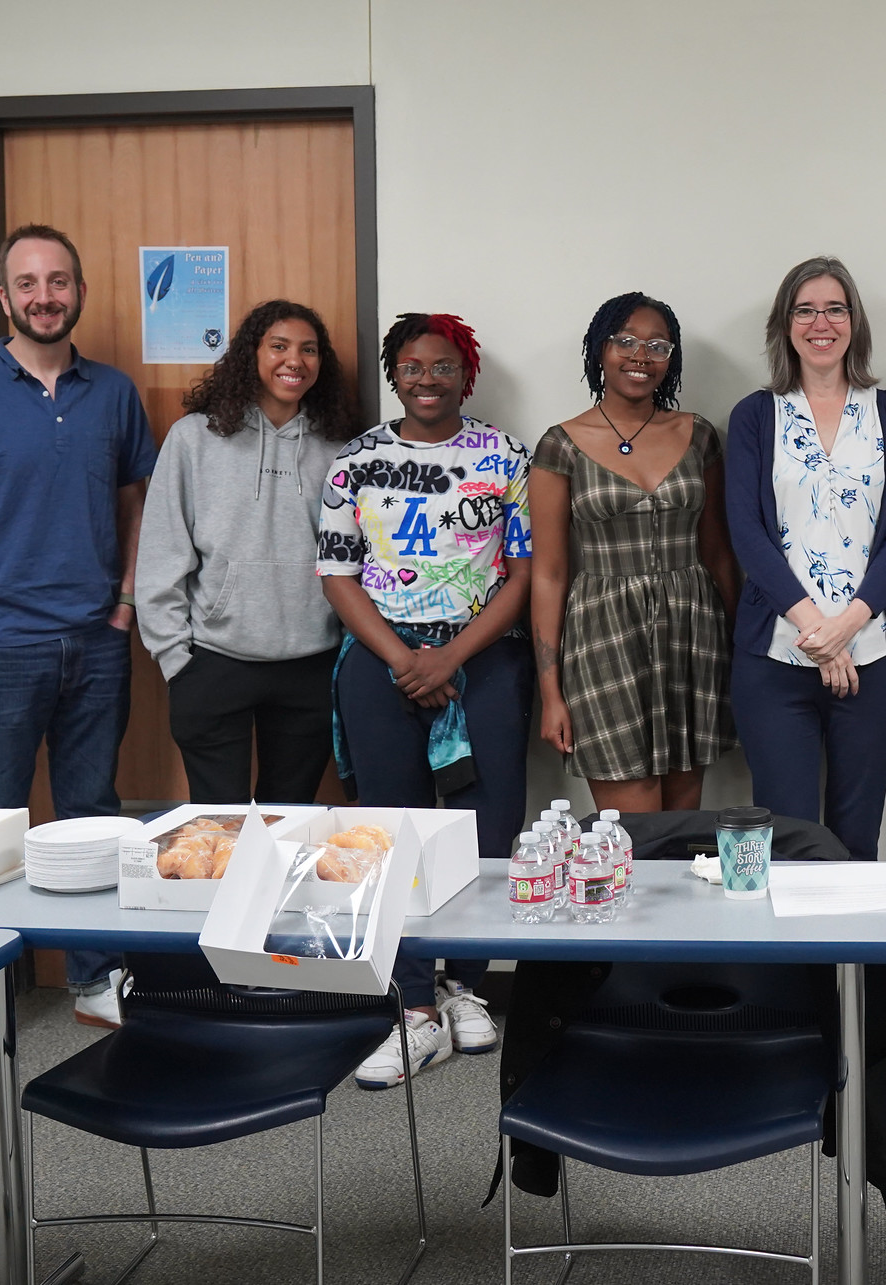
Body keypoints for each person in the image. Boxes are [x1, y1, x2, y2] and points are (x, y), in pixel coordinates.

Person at [0, 225, 153, 1080]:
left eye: (58, 280)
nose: (43, 294)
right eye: (27, 283)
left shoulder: (114, 392)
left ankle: (91, 975)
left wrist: (123, 603)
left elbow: (134, 510)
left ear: (78, 291)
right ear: (4, 297)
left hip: (95, 641)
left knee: (91, 812)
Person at [316, 312, 533, 1089]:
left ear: (464, 374)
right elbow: (338, 574)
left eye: (444, 366)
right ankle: (412, 1006)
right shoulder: (356, 462)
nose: (428, 378)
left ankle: (466, 984)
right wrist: (405, 656)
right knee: (391, 831)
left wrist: (451, 655)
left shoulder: (506, 456)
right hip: (382, 658)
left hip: (483, 658)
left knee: (490, 822)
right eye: (413, 366)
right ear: (394, 374)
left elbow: (523, 573)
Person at [726, 258, 886, 861]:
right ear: (785, 325)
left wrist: (847, 627)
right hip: (777, 658)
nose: (821, 322)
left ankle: (855, 961)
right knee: (787, 841)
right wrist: (819, 631)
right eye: (805, 309)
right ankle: (793, 962)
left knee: (856, 840)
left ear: (854, 322)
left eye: (835, 308)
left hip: (876, 655)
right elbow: (747, 532)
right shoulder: (756, 416)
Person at [136, 300, 360, 805]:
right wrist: (175, 657)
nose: (294, 361)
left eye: (308, 350)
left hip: (311, 661)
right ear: (250, 355)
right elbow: (162, 549)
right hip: (213, 661)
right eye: (278, 346)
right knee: (219, 829)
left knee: (288, 821)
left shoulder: (339, 448)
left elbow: (356, 559)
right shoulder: (195, 438)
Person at [533, 293, 739, 811]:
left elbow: (717, 555)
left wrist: (743, 655)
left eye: (656, 345)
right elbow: (550, 574)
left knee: (683, 830)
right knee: (631, 835)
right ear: (600, 350)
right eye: (625, 341)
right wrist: (551, 692)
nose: (640, 356)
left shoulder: (699, 437)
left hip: (693, 635)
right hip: (603, 637)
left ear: (672, 358)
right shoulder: (562, 444)